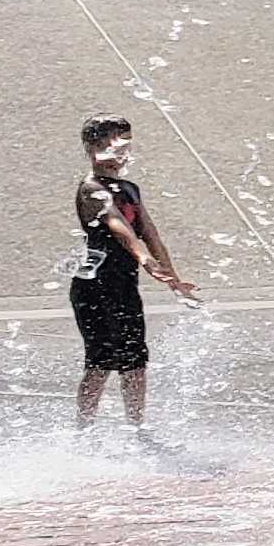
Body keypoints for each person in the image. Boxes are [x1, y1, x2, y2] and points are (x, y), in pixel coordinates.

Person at [68, 116, 195, 430]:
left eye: (124, 144)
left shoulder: (130, 189)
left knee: (135, 362)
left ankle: (136, 428)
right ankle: (83, 429)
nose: (121, 152)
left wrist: (174, 279)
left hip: (124, 284)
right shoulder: (90, 188)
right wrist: (143, 258)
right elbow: (118, 227)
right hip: (93, 285)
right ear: (93, 147)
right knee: (100, 363)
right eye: (112, 144)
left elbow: (150, 233)